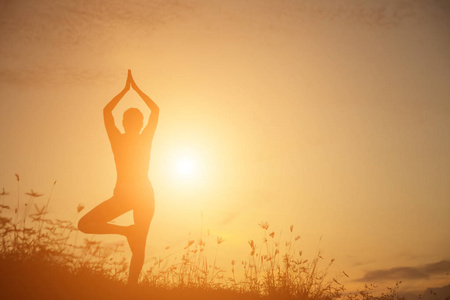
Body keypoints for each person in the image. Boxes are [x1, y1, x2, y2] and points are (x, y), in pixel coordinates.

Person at [78, 70, 159, 285]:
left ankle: (131, 290)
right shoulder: (127, 139)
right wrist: (133, 89)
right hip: (130, 196)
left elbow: (107, 111)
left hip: (141, 196)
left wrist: (126, 90)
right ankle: (128, 234)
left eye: (133, 120)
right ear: (127, 123)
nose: (131, 123)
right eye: (129, 119)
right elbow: (155, 110)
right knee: (86, 224)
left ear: (136, 124)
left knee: (87, 225)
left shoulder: (128, 139)